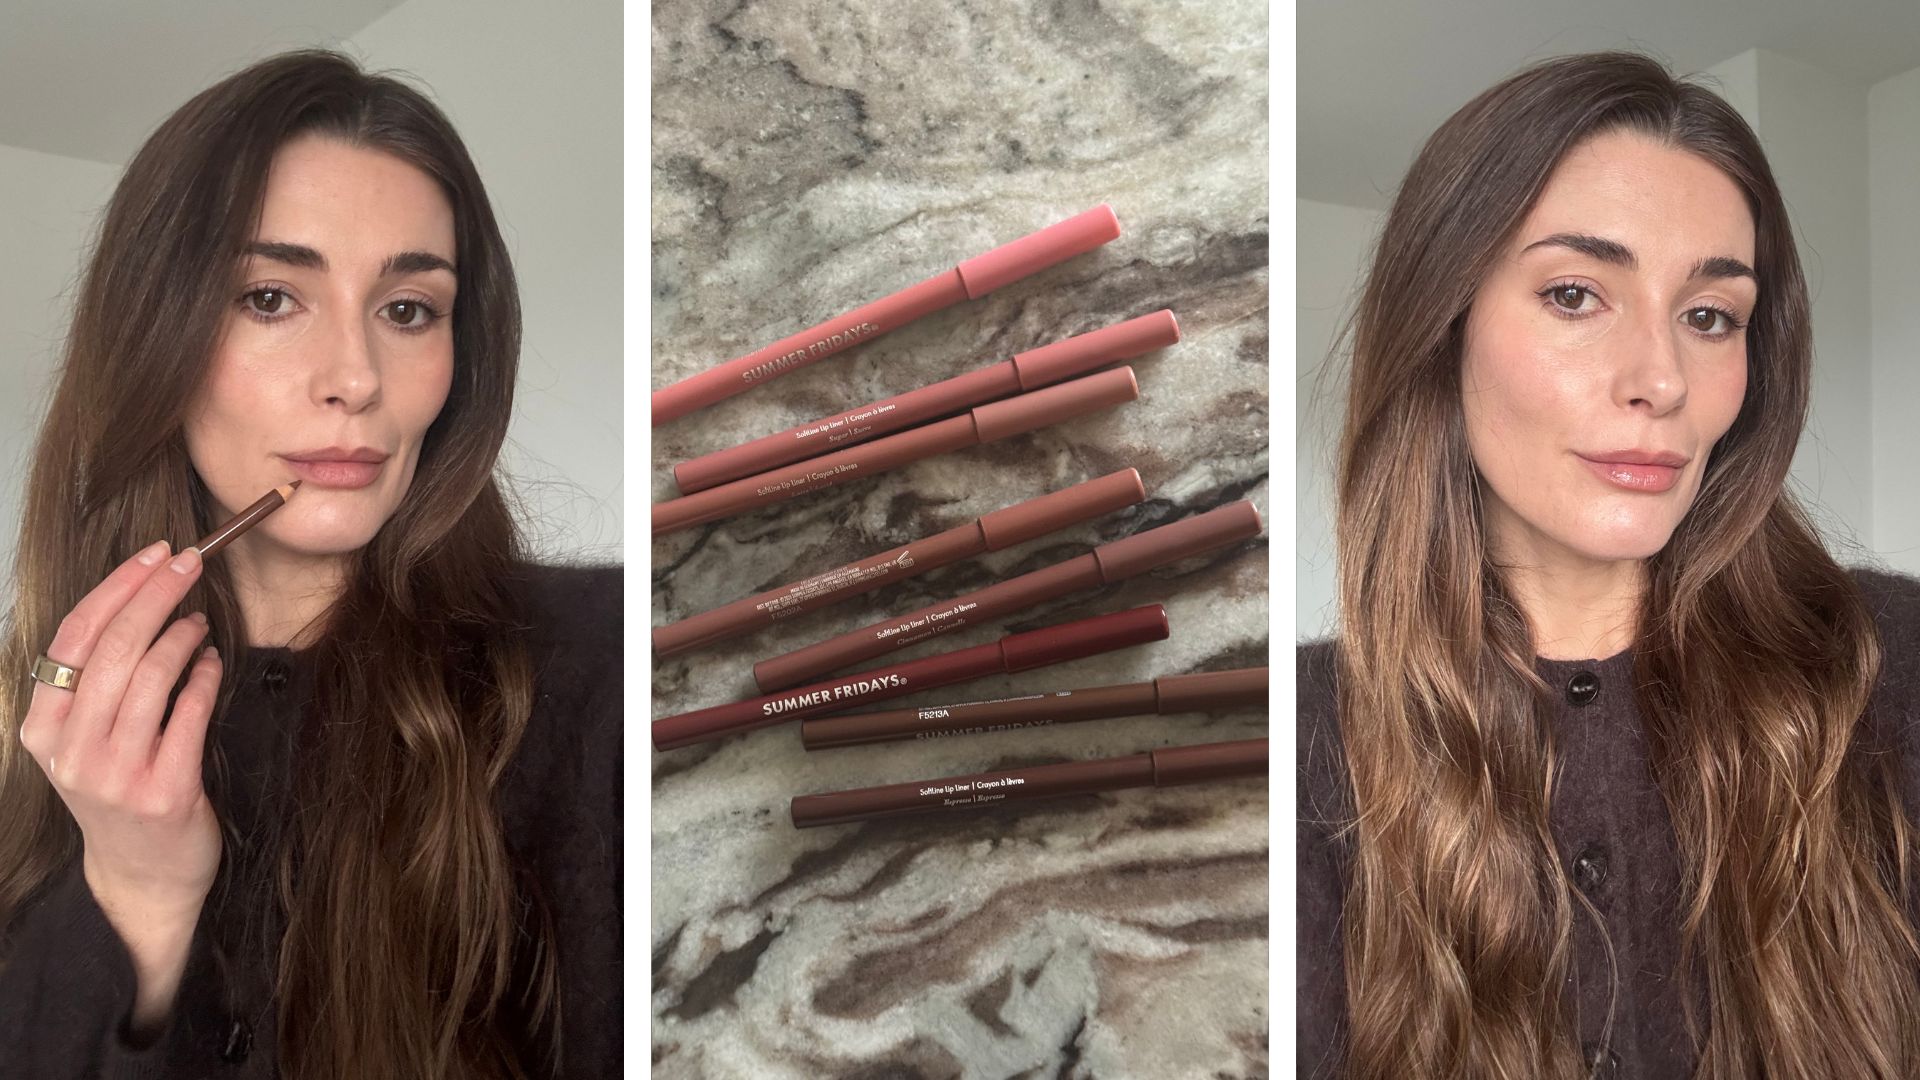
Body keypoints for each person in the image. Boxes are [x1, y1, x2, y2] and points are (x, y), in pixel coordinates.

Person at [1298, 52, 1920, 1079]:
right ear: (1443, 330)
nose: (1662, 378)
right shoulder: (1306, 737)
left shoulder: (1886, 665)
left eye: (1710, 315)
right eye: (1578, 295)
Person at [0, 51, 621, 1078]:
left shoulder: (600, 666)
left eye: (408, 309)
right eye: (271, 298)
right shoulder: (42, 723)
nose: (355, 379)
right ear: (152, 336)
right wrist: (138, 895)